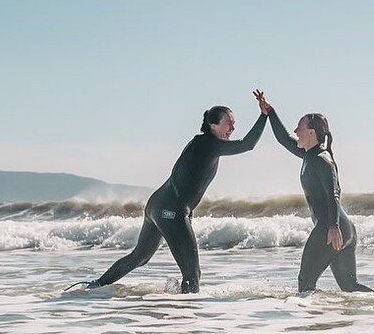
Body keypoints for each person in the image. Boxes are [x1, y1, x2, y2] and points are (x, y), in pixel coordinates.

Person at [68, 102, 267, 293]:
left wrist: (188, 211)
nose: (233, 127)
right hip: (170, 209)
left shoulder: (202, 143)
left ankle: (95, 286)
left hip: (159, 204)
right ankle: (189, 317)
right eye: (228, 122)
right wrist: (264, 115)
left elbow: (187, 179)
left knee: (141, 256)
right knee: (192, 273)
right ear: (213, 125)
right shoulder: (209, 144)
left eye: (234, 123)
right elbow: (248, 144)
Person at [253, 90, 373, 294]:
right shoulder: (309, 155)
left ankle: (311, 323)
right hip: (344, 229)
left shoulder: (322, 160)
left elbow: (334, 194)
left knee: (305, 284)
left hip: (331, 228)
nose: (295, 131)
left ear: (311, 132)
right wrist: (269, 111)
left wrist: (333, 226)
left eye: (299, 127)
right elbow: (283, 138)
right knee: (349, 286)